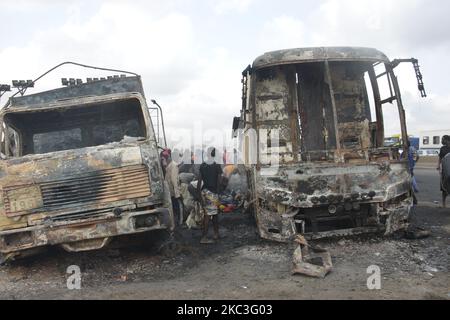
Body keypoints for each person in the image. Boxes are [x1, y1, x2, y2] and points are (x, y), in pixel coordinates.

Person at [197, 147, 223, 244]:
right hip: (212, 193)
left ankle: (216, 233)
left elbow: (199, 182)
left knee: (214, 214)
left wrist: (200, 196)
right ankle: (203, 237)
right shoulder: (216, 166)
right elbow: (219, 181)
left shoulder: (203, 165)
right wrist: (218, 194)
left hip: (205, 191)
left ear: (207, 155)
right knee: (208, 215)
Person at [161, 148, 183, 225]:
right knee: (174, 208)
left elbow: (174, 180)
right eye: (163, 157)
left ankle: (180, 222)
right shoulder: (168, 166)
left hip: (174, 192)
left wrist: (177, 194)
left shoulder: (173, 166)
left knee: (178, 207)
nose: (164, 159)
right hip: (170, 192)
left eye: (165, 157)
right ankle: (177, 222)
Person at [437, 135, 450, 208]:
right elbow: (440, 158)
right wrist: (438, 165)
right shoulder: (442, 148)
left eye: (443, 139)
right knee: (444, 186)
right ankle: (443, 203)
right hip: (445, 170)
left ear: (447, 140)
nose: (442, 141)